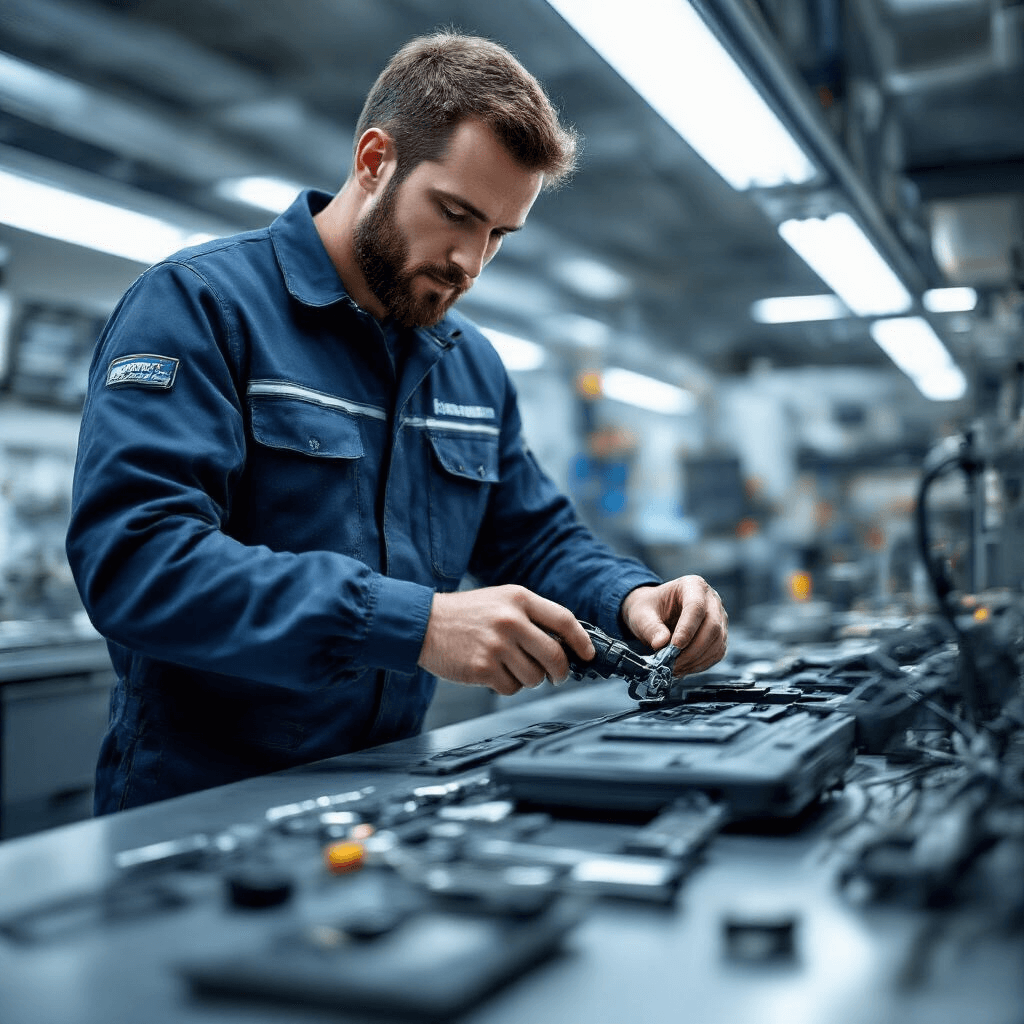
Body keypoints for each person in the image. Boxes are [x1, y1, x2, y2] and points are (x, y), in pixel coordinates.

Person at [66, 31, 728, 814]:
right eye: (455, 214)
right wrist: (413, 625)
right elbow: (138, 560)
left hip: (389, 798)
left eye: (498, 235)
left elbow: (532, 537)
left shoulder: (469, 364)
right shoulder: (201, 308)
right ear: (375, 160)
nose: (471, 262)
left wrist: (631, 599)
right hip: (199, 803)